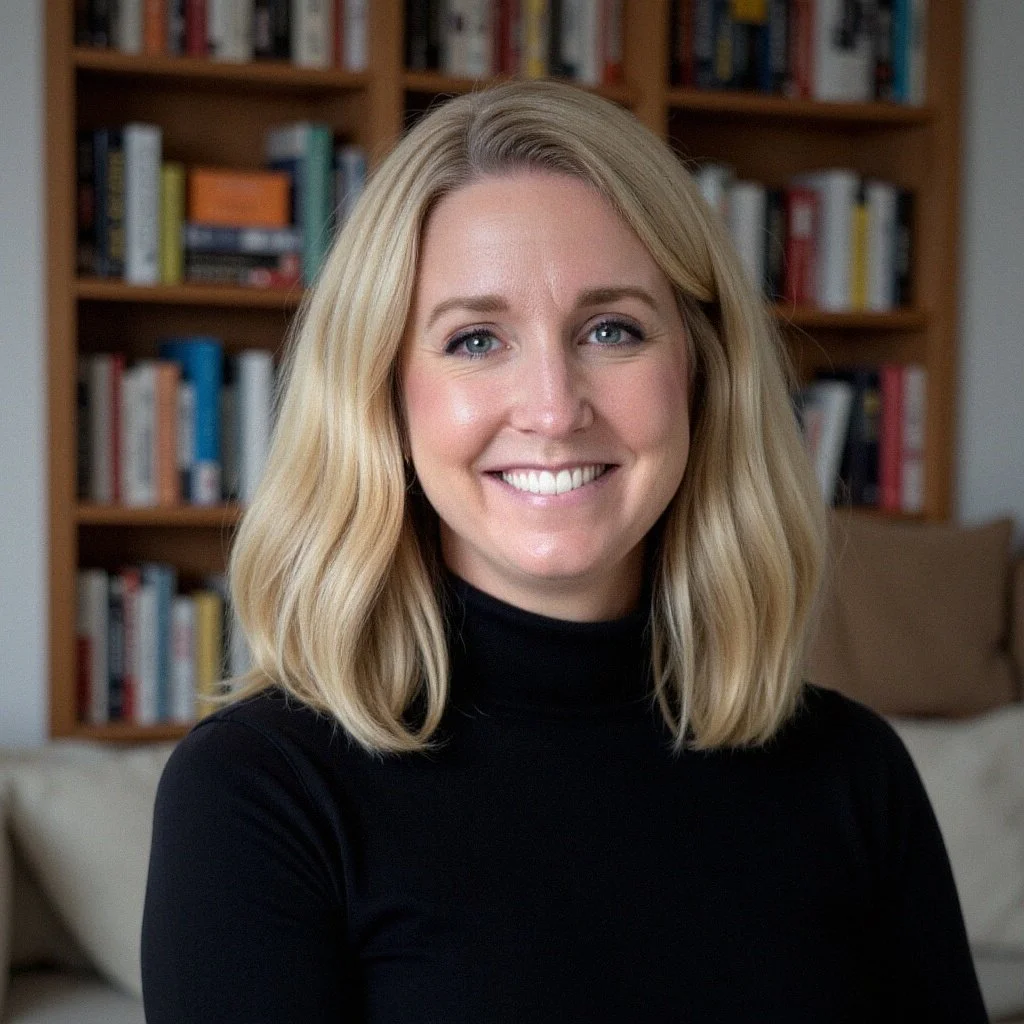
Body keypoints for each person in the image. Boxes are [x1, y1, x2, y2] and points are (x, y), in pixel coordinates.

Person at [141, 80, 988, 1023]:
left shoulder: (854, 772)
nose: (552, 406)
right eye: (474, 339)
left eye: (611, 329)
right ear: (385, 396)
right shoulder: (259, 794)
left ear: (701, 372)